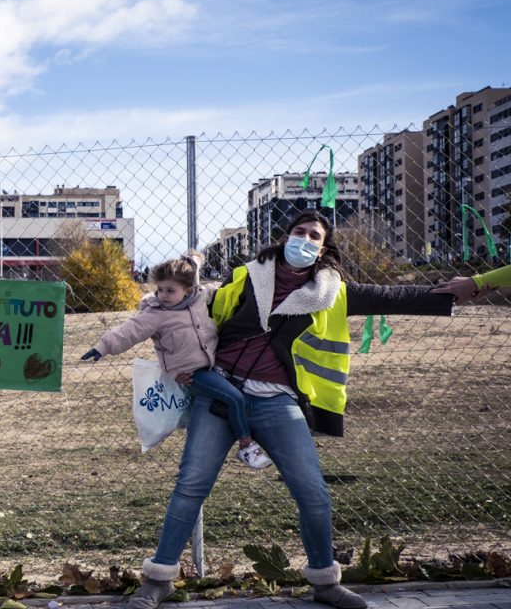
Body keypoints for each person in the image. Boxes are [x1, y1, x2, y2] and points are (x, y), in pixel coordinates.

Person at [128, 211, 459, 609]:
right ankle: (158, 579)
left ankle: (325, 581)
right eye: (298, 232)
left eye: (313, 235)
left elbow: (391, 295)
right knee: (191, 485)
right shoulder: (247, 275)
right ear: (285, 237)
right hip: (219, 391)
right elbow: (201, 300)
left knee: (312, 492)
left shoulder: (332, 291)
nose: (303, 238)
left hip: (277, 400)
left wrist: (460, 290)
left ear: (323, 249)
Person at [80, 253, 271, 469]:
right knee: (235, 398)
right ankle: (246, 447)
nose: (163, 295)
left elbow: (223, 288)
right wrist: (102, 347)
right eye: (160, 289)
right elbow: (129, 331)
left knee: (228, 403)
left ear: (187, 290)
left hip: (214, 366)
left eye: (170, 290)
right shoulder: (156, 313)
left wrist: (251, 278)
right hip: (191, 374)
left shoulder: (200, 296)